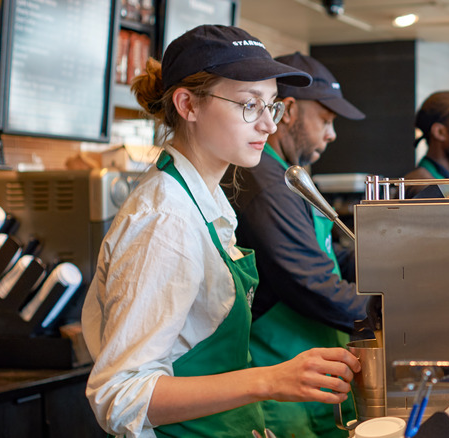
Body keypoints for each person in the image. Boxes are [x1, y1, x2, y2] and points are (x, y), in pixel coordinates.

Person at [81, 26, 361, 438]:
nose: (268, 125)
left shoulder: (205, 202)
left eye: (272, 107)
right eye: (250, 106)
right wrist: (270, 380)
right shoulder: (166, 221)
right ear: (187, 105)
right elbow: (120, 396)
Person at [222, 52, 368, 438]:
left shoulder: (288, 175)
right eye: (325, 120)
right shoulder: (266, 182)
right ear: (287, 110)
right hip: (283, 390)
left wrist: (386, 261)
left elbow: (323, 255)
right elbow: (310, 283)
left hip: (312, 375)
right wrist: (394, 311)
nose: (331, 134)